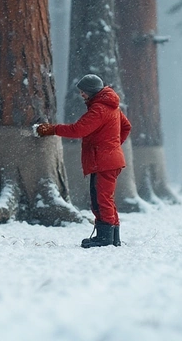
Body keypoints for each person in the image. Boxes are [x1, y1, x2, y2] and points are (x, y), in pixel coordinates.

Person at [35, 74, 131, 248]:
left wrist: (52, 129)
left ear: (92, 91)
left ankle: (105, 238)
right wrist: (114, 145)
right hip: (108, 159)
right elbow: (126, 127)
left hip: (104, 160)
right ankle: (112, 237)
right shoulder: (112, 107)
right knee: (103, 198)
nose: (81, 95)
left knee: (101, 200)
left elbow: (78, 130)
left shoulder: (100, 109)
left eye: (83, 92)